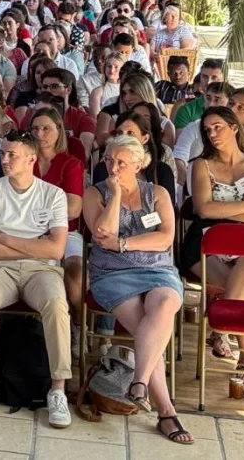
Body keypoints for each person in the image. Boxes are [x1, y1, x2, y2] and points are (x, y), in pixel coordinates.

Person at [83, 134, 191, 445]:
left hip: (157, 270)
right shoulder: (95, 193)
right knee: (152, 331)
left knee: (164, 305)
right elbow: (102, 233)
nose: (113, 167)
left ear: (139, 164)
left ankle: (139, 382)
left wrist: (123, 244)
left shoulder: (157, 193)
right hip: (113, 274)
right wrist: (116, 195)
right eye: (108, 161)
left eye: (121, 163)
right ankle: (166, 412)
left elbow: (165, 238)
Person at [0, 132, 72, 428]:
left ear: (31, 159)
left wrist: (6, 238)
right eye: (3, 153)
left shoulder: (53, 195)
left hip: (42, 270)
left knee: (56, 304)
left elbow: (57, 250)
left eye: (12, 154)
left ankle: (58, 390)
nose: (4, 159)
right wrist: (36, 245)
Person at [182, 107, 244, 375]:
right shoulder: (202, 165)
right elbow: (204, 210)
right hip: (205, 242)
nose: (212, 134)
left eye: (218, 127)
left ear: (234, 128)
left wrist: (223, 209)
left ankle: (222, 329)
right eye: (207, 130)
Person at [30, 106, 85, 311]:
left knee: (75, 271)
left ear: (59, 130)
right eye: (35, 129)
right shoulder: (24, 161)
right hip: (27, 230)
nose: (39, 134)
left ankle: (79, 323)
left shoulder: (71, 164)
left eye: (46, 128)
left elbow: (73, 209)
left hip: (67, 231)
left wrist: (36, 214)